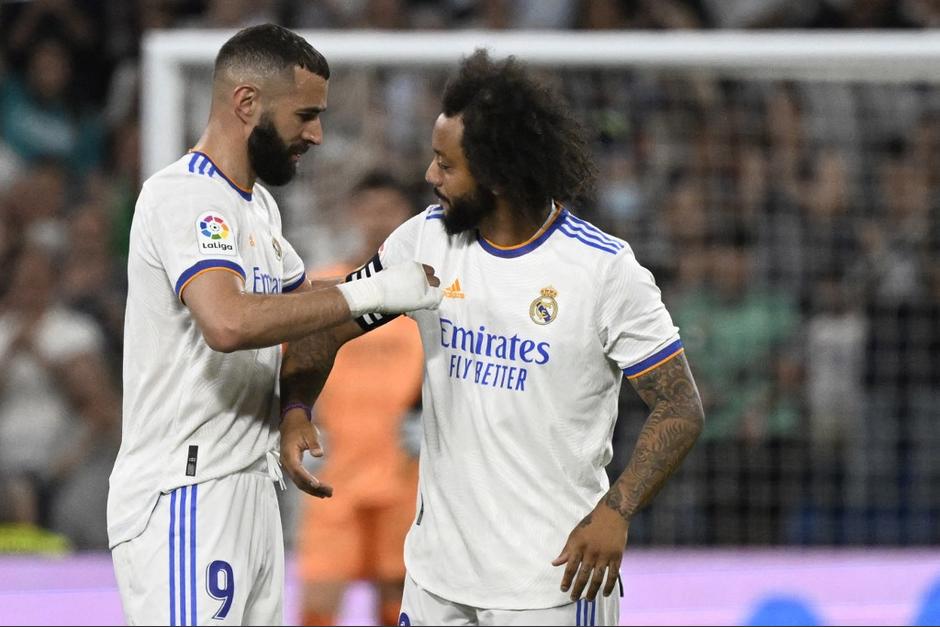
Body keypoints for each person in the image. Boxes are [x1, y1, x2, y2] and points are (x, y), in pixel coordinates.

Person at [279, 50, 705, 626]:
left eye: (446, 165)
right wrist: (298, 404)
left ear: (500, 174)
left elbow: (680, 406)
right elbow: (330, 325)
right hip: (436, 580)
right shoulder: (424, 241)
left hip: (550, 582)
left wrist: (617, 510)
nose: (430, 178)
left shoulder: (604, 271)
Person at [106, 24, 442, 626]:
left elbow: (309, 318)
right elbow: (228, 322)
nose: (315, 134)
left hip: (251, 486)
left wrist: (295, 410)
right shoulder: (184, 196)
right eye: (306, 115)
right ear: (247, 103)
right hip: (188, 490)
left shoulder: (257, 207)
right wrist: (375, 289)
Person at [296, 171, 424, 627]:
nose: (377, 221)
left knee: (400, 594)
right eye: (368, 209)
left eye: (388, 210)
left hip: (404, 469)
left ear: (407, 218)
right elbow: (292, 366)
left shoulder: (425, 294)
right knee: (321, 591)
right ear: (352, 212)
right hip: (333, 469)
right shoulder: (323, 288)